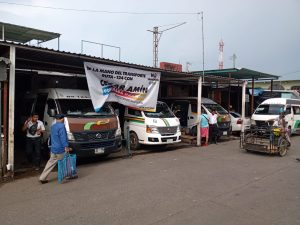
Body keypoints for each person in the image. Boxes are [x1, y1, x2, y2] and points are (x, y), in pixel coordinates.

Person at [39, 114, 70, 184]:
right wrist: (66, 146)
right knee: (64, 162)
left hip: (53, 148)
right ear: (62, 119)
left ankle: (42, 177)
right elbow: (63, 137)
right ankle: (65, 176)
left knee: (50, 163)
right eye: (64, 119)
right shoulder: (62, 126)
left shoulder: (53, 126)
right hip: (60, 149)